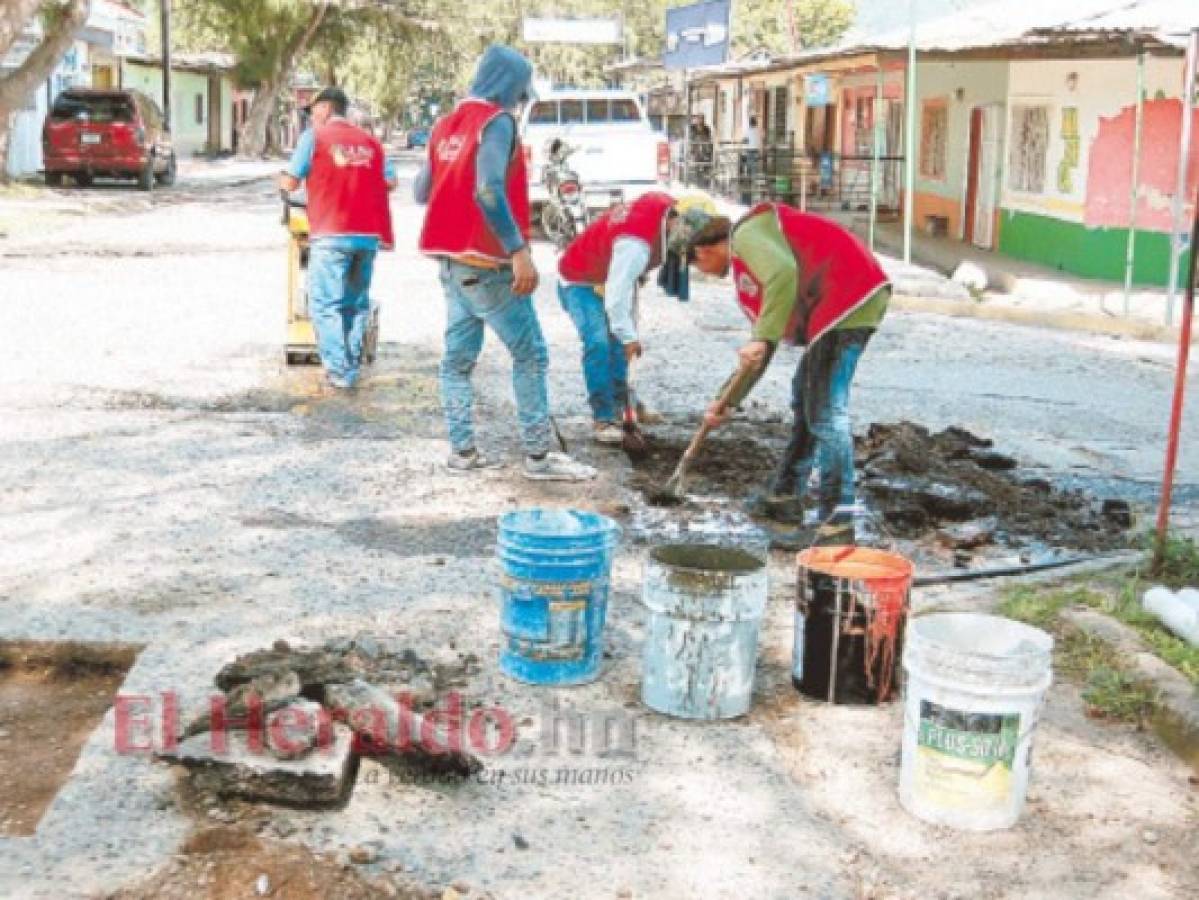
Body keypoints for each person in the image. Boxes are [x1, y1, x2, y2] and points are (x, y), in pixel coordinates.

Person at [416, 45, 595, 482]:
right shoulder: (497, 123)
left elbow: (423, 191)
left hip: (450, 262)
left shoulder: (445, 124)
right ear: (508, 86)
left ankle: (462, 452)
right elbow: (489, 190)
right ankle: (538, 457)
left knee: (457, 362)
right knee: (530, 354)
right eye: (520, 92)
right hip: (487, 262)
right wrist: (518, 250)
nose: (520, 101)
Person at [690, 202, 890, 531]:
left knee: (826, 413)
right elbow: (761, 351)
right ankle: (786, 494)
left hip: (847, 297)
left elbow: (783, 273)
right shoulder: (748, 259)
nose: (700, 271)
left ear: (704, 249)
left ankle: (837, 522)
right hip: (840, 300)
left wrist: (762, 337)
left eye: (695, 263)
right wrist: (727, 399)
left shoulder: (747, 235)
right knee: (806, 398)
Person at [556, 193, 723, 444]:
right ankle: (603, 418)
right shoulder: (636, 245)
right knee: (600, 342)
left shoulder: (665, 207)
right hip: (579, 279)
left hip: (607, 274)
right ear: (675, 222)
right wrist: (629, 336)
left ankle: (626, 405)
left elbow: (623, 281)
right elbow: (616, 296)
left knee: (618, 342)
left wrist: (627, 330)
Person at [280, 86, 396, 390]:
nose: (312, 117)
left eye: (313, 110)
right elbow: (390, 181)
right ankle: (351, 365)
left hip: (331, 233)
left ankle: (339, 373)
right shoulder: (371, 142)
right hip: (367, 236)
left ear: (326, 109)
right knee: (355, 303)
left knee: (325, 304)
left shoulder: (313, 138)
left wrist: (282, 178)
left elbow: (291, 183)